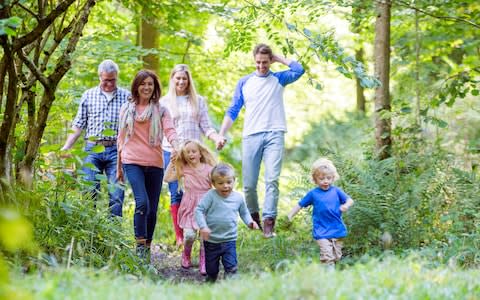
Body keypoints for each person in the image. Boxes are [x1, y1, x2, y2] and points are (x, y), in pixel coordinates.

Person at [218, 43, 305, 238]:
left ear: (270, 61)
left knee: (272, 179)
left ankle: (269, 223)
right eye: (258, 62)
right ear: (253, 60)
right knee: (249, 184)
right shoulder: (244, 82)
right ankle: (254, 219)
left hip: (275, 133)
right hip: (251, 136)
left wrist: (280, 58)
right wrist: (222, 133)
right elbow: (233, 109)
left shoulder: (279, 78)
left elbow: (299, 70)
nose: (261, 66)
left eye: (265, 62)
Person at [116, 69, 179, 259]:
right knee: (142, 202)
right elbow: (120, 139)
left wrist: (177, 145)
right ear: (136, 86)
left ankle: (148, 247)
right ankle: (140, 249)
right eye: (143, 84)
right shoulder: (126, 109)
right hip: (131, 160)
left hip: (155, 163)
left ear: (155, 87)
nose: (146, 87)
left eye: (150, 84)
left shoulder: (161, 110)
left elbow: (170, 130)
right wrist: (119, 167)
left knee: (152, 208)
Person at [161, 64, 225, 246]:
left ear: (189, 80)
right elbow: (161, 130)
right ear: (172, 79)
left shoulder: (199, 100)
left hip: (194, 153)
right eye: (178, 78)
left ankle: (198, 229)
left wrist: (216, 138)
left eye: (184, 78)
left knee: (199, 192)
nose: (181, 81)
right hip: (172, 152)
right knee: (176, 193)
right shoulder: (164, 102)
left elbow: (206, 126)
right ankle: (180, 235)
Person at [61, 59, 130, 217]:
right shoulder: (88, 95)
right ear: (100, 77)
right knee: (89, 190)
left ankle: (112, 236)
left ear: (117, 77)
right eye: (106, 80)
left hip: (117, 151)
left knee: (116, 194)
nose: (110, 84)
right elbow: (79, 124)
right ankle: (89, 234)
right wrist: (67, 146)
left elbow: (131, 127)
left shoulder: (127, 97)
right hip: (92, 149)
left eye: (113, 80)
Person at [195, 163, 259, 282]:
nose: (225, 186)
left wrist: (250, 222)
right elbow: (199, 210)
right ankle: (210, 282)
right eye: (220, 183)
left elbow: (244, 212)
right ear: (213, 184)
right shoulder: (211, 196)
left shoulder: (238, 198)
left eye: (229, 182)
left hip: (229, 240)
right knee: (212, 270)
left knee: (231, 267)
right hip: (211, 240)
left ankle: (231, 285)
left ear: (234, 181)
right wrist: (203, 227)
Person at [287, 158, 354, 266]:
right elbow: (300, 204)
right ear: (315, 179)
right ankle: (328, 274)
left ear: (333, 177)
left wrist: (346, 205)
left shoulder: (336, 191)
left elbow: (350, 200)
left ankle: (332, 270)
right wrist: (290, 215)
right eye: (322, 178)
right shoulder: (313, 194)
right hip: (321, 230)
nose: (326, 181)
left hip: (337, 229)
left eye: (329, 178)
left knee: (337, 256)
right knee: (327, 257)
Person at [164, 139, 217, 275]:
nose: (191, 154)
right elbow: (167, 178)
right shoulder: (184, 169)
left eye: (194, 151)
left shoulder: (209, 169)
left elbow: (218, 185)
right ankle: (186, 254)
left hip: (206, 206)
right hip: (189, 205)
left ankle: (204, 261)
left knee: (204, 237)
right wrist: (172, 162)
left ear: (200, 153)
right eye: (187, 152)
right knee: (189, 235)